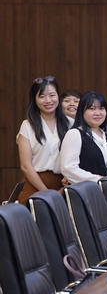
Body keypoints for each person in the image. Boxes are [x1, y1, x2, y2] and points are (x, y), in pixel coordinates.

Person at [16, 76, 73, 204]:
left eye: (52, 95)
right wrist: (47, 193)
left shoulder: (71, 124)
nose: (48, 100)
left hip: (65, 187)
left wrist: (64, 186)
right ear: (34, 100)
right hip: (35, 185)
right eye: (42, 96)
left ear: (58, 96)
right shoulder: (27, 125)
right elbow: (26, 166)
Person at [61, 91, 107, 184]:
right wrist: (99, 180)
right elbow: (68, 168)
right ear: (82, 111)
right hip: (87, 193)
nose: (97, 113)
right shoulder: (75, 134)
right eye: (92, 108)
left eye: (101, 108)